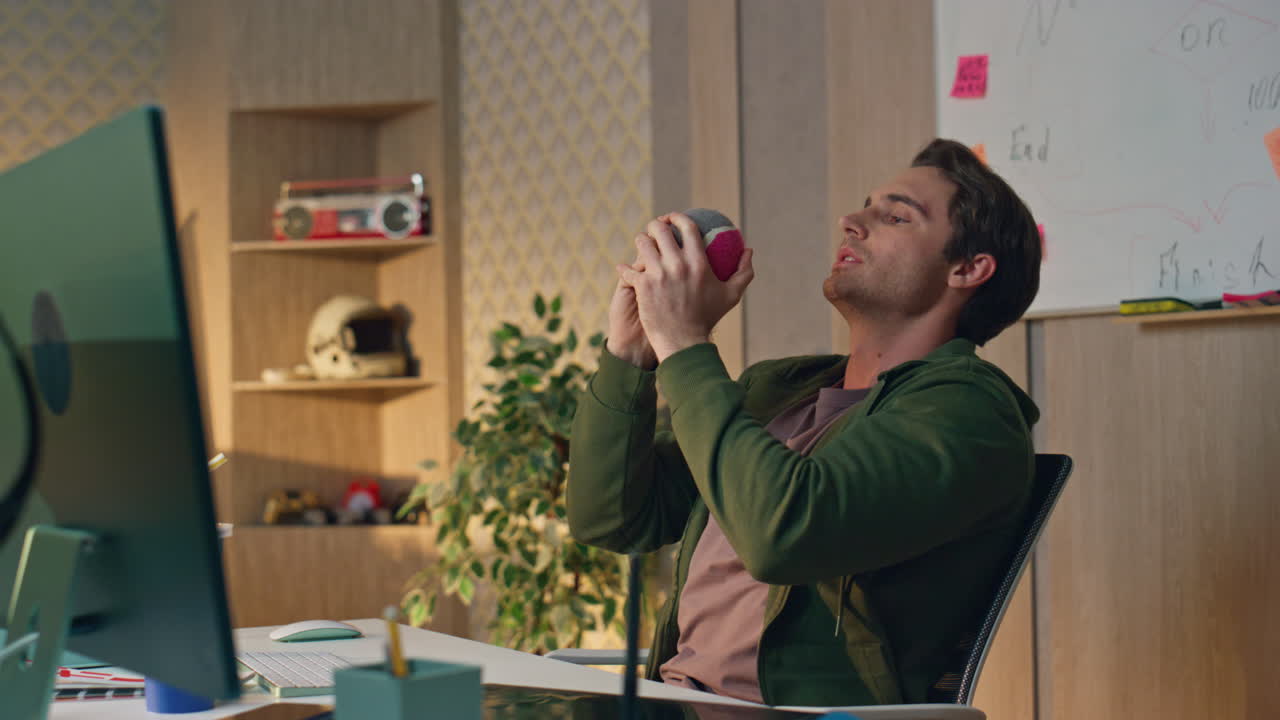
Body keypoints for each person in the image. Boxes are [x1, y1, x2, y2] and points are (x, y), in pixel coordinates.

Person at [567, 139, 1042, 707]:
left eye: (894, 215)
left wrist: (686, 344)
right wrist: (632, 351)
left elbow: (782, 536)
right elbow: (612, 518)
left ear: (968, 268)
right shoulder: (779, 390)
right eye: (865, 205)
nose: (851, 221)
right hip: (673, 704)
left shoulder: (971, 414)